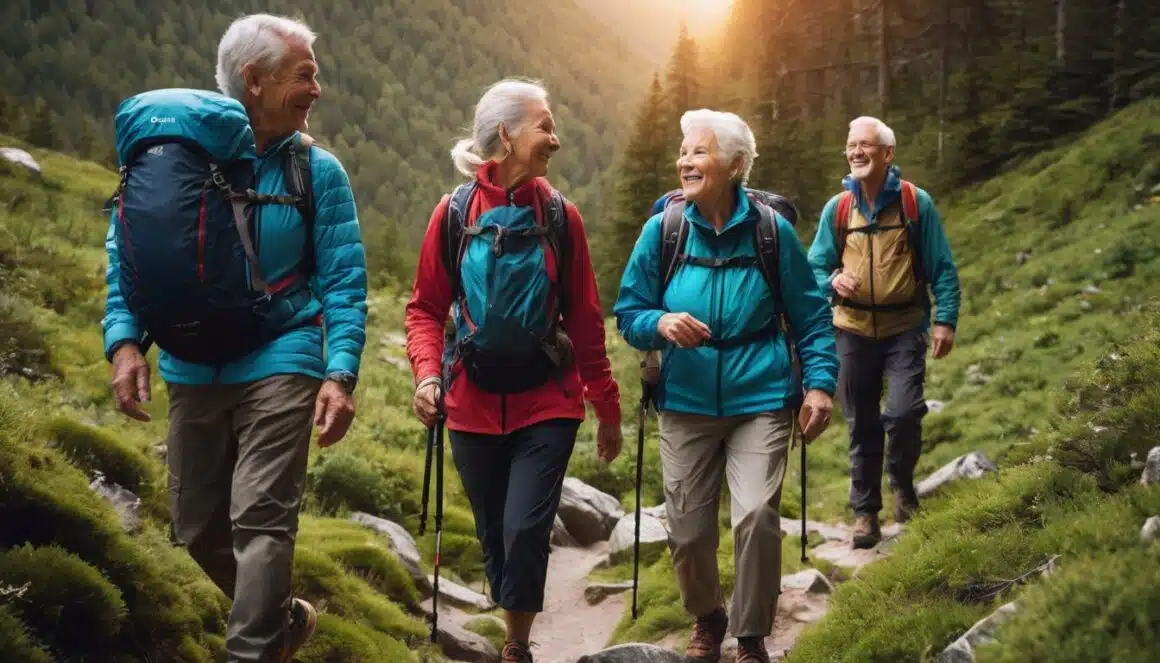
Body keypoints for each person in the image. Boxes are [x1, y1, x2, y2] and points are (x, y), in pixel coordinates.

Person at [101, 13, 367, 662]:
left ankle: (249, 652)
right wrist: (126, 341)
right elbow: (130, 252)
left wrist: (340, 370)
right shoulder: (175, 161)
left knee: (262, 518)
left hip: (285, 351)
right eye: (304, 75)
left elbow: (343, 278)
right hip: (194, 363)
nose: (317, 89)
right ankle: (281, 619)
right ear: (253, 80)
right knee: (195, 527)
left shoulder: (316, 171)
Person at [404, 78, 623, 663]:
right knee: (494, 531)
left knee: (525, 527)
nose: (556, 137)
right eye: (544, 125)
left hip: (547, 400)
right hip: (470, 401)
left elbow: (585, 320)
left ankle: (516, 646)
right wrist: (428, 374)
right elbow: (425, 307)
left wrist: (607, 407)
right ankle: (513, 619)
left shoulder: (560, 218)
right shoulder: (452, 215)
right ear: (507, 135)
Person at [614, 109, 839, 663]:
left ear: (736, 166)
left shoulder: (771, 232)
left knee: (757, 514)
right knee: (689, 533)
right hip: (685, 400)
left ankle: (751, 635)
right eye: (684, 151)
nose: (685, 162)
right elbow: (628, 310)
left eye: (699, 152)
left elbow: (810, 317)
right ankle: (709, 616)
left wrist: (819, 386)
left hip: (760, 397)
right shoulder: (663, 230)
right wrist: (661, 323)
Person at [806, 116, 961, 549]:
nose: (856, 152)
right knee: (861, 424)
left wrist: (945, 319)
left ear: (887, 153)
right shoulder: (837, 209)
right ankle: (865, 514)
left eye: (866, 145)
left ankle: (903, 484)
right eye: (851, 145)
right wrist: (833, 279)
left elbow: (942, 267)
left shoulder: (915, 204)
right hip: (850, 330)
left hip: (903, 328)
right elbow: (814, 267)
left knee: (905, 411)